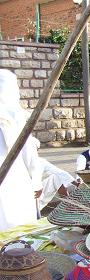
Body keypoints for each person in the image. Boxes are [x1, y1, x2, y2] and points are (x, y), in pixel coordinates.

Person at [0, 69, 43, 231]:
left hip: (13, 177)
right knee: (19, 230)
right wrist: (36, 179)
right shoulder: (15, 114)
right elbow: (28, 150)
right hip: (14, 178)